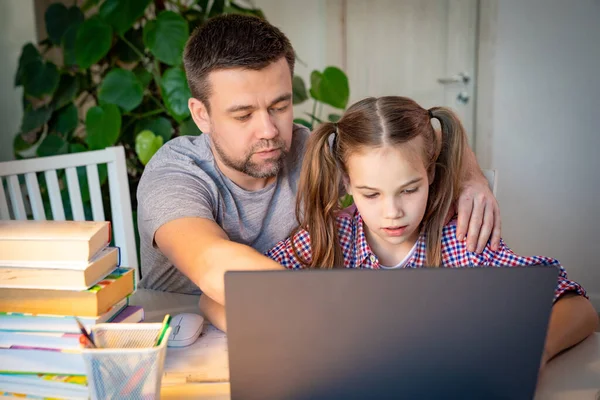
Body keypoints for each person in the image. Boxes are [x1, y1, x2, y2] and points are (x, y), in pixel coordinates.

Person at [136, 15, 501, 325]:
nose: (268, 131)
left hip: (289, 330)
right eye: (244, 115)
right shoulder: (175, 174)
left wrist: (470, 174)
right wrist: (342, 319)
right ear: (201, 114)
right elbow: (213, 265)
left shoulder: (310, 151)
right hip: (181, 338)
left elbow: (398, 138)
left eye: (279, 106)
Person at [261, 96, 598, 368]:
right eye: (371, 194)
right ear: (347, 183)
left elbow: (579, 307)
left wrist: (536, 351)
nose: (392, 212)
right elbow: (238, 293)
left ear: (431, 174)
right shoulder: (329, 237)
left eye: (409, 190)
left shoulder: (460, 240)